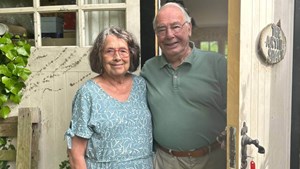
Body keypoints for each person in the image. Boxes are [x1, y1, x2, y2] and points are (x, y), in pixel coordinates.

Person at [140, 2, 227, 169]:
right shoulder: (149, 69)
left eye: (175, 26)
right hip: (165, 161)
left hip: (212, 159)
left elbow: (238, 112)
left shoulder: (217, 64)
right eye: (161, 29)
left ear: (189, 29)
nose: (169, 35)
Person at [65, 27, 153, 169]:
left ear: (131, 55)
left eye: (123, 51)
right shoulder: (88, 93)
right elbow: (76, 154)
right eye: (109, 51)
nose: (117, 57)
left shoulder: (142, 86)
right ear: (100, 56)